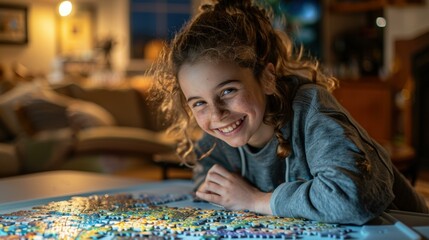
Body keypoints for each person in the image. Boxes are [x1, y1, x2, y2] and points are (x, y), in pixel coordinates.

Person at [149, 0, 428, 225]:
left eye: (228, 91)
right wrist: (231, 194)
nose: (217, 114)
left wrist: (256, 200)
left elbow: (351, 197)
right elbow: (206, 179)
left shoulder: (311, 108)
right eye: (199, 103)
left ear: (268, 78)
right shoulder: (222, 132)